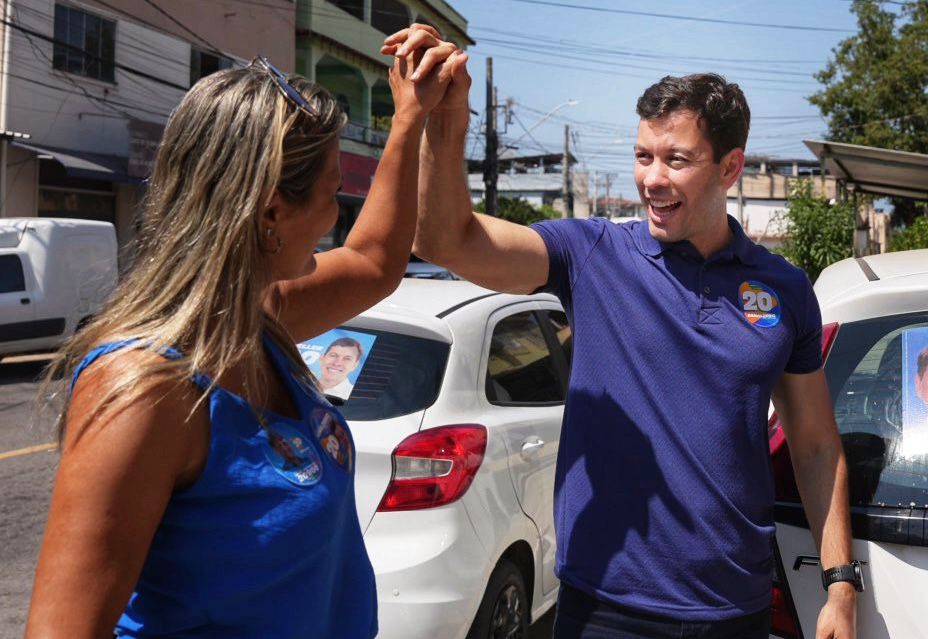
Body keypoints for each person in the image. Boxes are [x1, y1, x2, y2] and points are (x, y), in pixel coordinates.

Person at [385, 25, 858, 639]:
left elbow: (817, 445)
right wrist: (445, 122)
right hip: (604, 607)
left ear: (730, 166)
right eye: (643, 156)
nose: (652, 180)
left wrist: (840, 588)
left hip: (733, 608)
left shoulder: (785, 289)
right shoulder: (593, 254)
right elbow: (446, 241)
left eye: (677, 160)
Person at [25, 45, 465, 639]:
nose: (336, 218)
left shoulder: (257, 318)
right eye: (332, 193)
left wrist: (413, 115)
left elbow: (375, 261)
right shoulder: (145, 390)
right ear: (271, 212)